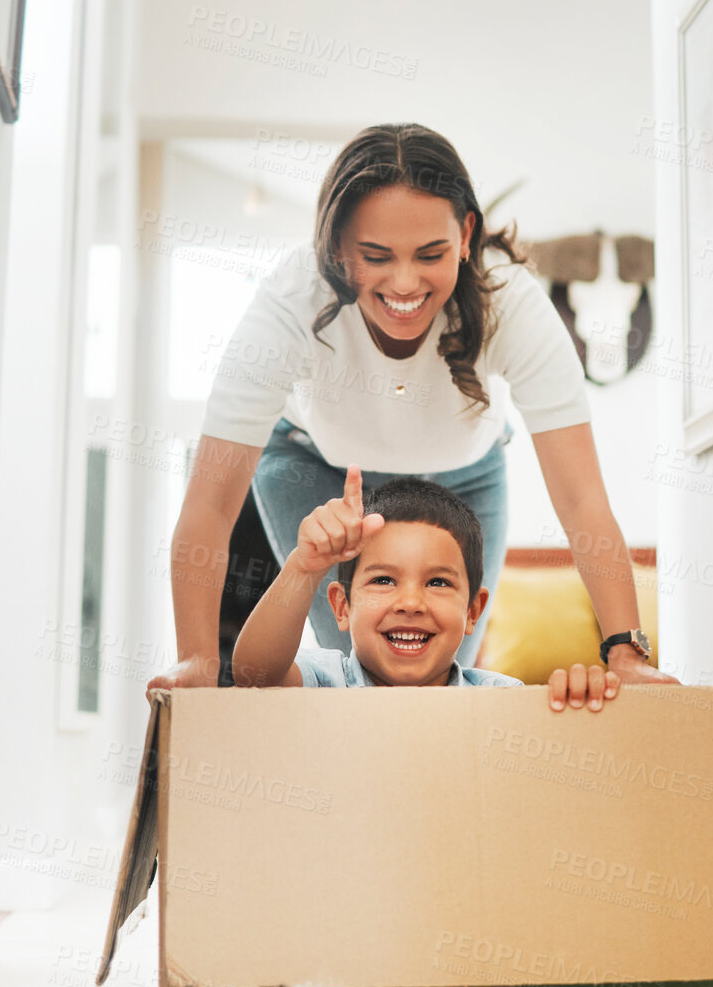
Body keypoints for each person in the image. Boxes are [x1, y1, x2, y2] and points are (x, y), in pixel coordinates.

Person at [149, 123, 677, 693]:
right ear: (335, 248)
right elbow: (209, 504)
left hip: (466, 474)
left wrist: (626, 654)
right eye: (376, 255)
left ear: (467, 233)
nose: (405, 282)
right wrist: (198, 664)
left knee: (438, 672)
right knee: (361, 663)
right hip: (314, 465)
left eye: (431, 254)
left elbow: (581, 499)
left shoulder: (510, 301)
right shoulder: (290, 301)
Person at [232, 469, 619, 712]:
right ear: (342, 605)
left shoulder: (499, 700)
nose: (411, 603)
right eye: (383, 580)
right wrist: (303, 565)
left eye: (437, 582)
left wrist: (579, 704)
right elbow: (255, 673)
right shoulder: (324, 681)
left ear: (473, 611)